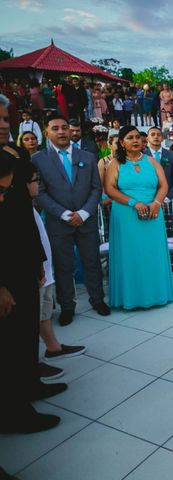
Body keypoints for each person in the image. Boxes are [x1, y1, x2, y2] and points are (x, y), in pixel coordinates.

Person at [0, 96, 65, 433]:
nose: (3, 126)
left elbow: (22, 215)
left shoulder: (10, 155)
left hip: (24, 258)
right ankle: (14, 410)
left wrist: (38, 259)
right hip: (5, 270)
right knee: (9, 343)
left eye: (6, 120)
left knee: (26, 331)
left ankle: (30, 385)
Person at [32, 114, 110, 326]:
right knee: (63, 265)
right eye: (55, 128)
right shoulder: (38, 159)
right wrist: (64, 214)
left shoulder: (87, 157)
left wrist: (84, 213)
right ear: (47, 133)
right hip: (59, 223)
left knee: (92, 262)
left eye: (64, 127)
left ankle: (97, 300)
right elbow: (40, 192)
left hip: (87, 220)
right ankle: (67, 306)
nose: (61, 132)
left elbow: (96, 188)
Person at [24, 162, 86, 382]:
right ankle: (29, 369)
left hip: (42, 266)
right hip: (34, 268)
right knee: (32, 315)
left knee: (44, 310)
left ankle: (53, 348)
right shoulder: (13, 207)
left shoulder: (27, 204)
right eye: (35, 181)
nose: (38, 186)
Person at [104, 126, 173, 309]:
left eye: (137, 137)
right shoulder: (115, 163)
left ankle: (158, 295)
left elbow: (163, 185)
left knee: (152, 253)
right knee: (130, 255)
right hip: (126, 215)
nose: (135, 140)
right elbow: (110, 189)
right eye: (129, 137)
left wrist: (156, 203)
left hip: (153, 214)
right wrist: (133, 203)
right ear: (121, 142)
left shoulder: (151, 162)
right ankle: (130, 297)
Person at [145, 126, 173, 272]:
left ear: (162, 138)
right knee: (151, 231)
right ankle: (153, 261)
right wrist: (153, 201)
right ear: (147, 138)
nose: (155, 137)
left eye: (158, 135)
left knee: (171, 230)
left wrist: (166, 199)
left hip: (168, 202)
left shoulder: (170, 156)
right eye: (152, 134)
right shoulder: (143, 155)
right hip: (149, 201)